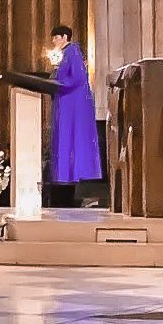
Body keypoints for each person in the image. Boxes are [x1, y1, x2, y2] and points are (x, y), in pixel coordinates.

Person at [48, 24, 102, 201]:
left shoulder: (73, 51)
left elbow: (77, 78)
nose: (54, 41)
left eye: (56, 37)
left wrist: (58, 83)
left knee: (72, 138)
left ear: (64, 37)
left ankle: (70, 176)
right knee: (66, 138)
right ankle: (65, 176)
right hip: (67, 100)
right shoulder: (66, 54)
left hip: (73, 102)